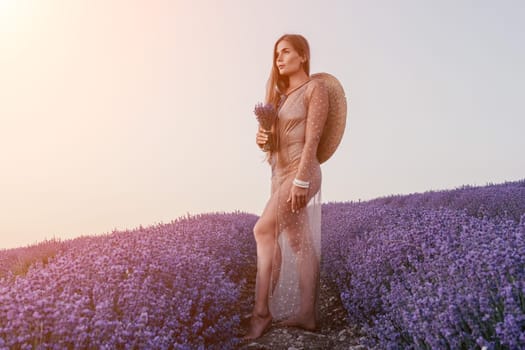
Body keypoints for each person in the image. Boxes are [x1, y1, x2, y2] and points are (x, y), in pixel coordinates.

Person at [244, 34, 329, 340]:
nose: (279, 59)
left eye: (286, 52)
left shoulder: (315, 89)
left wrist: (302, 180)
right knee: (298, 240)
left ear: (303, 56)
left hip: (301, 171)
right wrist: (263, 138)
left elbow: (312, 140)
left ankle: (261, 312)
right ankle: (307, 314)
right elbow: (276, 141)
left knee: (262, 230)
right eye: (276, 54)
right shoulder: (279, 99)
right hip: (279, 175)